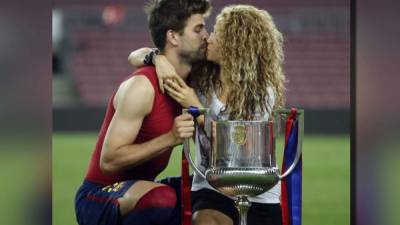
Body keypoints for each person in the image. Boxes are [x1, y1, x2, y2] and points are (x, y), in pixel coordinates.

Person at [128, 4, 286, 225]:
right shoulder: (201, 76)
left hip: (256, 192)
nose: (208, 38)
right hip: (211, 188)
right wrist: (158, 59)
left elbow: (237, 151)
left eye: (217, 34)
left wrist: (197, 109)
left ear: (234, 45)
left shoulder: (261, 92)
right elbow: (135, 55)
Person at [74, 1, 211, 225]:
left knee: (211, 194)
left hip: (141, 190)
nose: (206, 35)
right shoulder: (142, 87)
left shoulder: (190, 86)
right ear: (173, 37)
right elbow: (108, 160)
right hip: (97, 197)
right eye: (198, 29)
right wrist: (170, 138)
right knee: (161, 199)